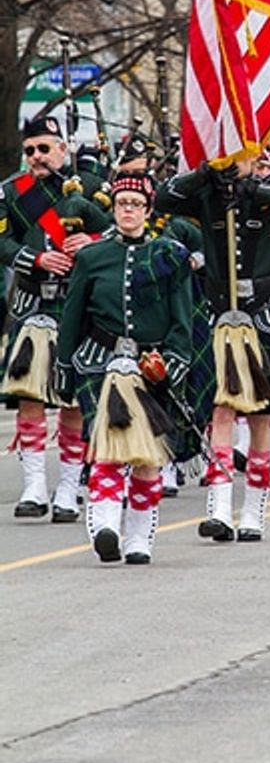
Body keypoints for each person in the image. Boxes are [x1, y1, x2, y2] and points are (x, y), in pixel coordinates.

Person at [155, 154, 270, 543]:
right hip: (220, 311)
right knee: (220, 410)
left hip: (264, 312)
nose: (231, 160)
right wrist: (203, 176)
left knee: (260, 414)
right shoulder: (208, 194)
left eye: (238, 154)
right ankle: (220, 509)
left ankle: (254, 512)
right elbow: (163, 199)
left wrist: (253, 187)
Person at [55, 175, 193, 564]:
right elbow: (72, 316)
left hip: (151, 366)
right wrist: (64, 365)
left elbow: (183, 319)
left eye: (135, 203)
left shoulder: (169, 256)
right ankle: (105, 526)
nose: (128, 210)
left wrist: (175, 364)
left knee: (147, 456)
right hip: (99, 362)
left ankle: (138, 538)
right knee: (107, 447)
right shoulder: (91, 257)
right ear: (113, 209)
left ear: (148, 210)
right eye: (121, 203)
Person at [0, 116, 110, 521]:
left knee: (72, 400)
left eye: (44, 149)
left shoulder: (92, 189)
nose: (36, 157)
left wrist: (93, 240)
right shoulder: (12, 192)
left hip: (75, 304)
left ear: (63, 149)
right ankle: (33, 487)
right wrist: (36, 258)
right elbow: (1, 239)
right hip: (32, 304)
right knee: (30, 399)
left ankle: (67, 488)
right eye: (30, 150)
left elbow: (124, 229)